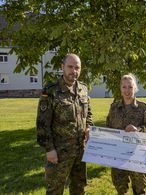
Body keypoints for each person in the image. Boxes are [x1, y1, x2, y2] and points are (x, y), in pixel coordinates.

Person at [36, 53, 93, 195]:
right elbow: (42, 124)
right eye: (70, 67)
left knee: (79, 188)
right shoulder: (50, 91)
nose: (74, 71)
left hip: (81, 151)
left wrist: (88, 127)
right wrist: (49, 149)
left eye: (77, 67)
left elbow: (89, 114)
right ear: (62, 67)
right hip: (59, 152)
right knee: (55, 190)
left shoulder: (83, 89)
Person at [106, 74, 146, 195]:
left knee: (139, 191)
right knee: (121, 190)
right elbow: (108, 128)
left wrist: (137, 130)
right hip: (118, 155)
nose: (127, 90)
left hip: (137, 156)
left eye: (130, 87)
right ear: (120, 89)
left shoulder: (143, 107)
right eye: (124, 87)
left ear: (135, 88)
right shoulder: (114, 107)